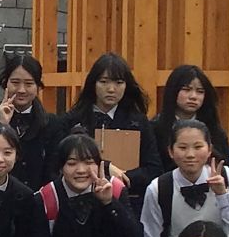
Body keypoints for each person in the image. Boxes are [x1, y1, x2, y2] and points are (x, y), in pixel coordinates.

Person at [55, 51, 163, 193]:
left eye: (119, 83)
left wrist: (121, 178)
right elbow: (57, 165)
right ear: (93, 84)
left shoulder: (138, 122)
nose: (111, 89)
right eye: (104, 82)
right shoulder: (72, 121)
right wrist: (105, 167)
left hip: (128, 197)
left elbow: (154, 169)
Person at [39, 133, 143, 237]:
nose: (81, 170)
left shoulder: (115, 188)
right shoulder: (47, 197)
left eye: (89, 162)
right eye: (72, 163)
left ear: (99, 165)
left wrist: (109, 203)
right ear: (61, 167)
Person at [0, 51, 56, 189]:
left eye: (29, 83)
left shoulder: (51, 123)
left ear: (38, 86)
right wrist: (2, 125)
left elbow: (53, 169)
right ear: (5, 83)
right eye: (15, 82)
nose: (21, 90)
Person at [151, 64, 229, 164]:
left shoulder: (215, 131)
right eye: (186, 90)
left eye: (200, 91)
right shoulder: (155, 129)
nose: (193, 96)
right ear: (173, 91)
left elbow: (225, 165)